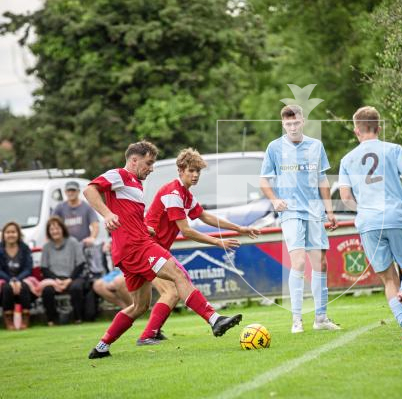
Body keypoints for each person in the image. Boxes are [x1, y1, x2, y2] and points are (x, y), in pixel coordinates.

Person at [84, 141, 243, 359]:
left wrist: (144, 227)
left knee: (139, 306)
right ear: (134, 160)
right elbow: (89, 189)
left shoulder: (137, 186)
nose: (151, 168)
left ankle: (102, 347)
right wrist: (107, 214)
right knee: (178, 276)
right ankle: (214, 319)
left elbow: (130, 216)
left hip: (130, 248)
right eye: (149, 163)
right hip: (137, 247)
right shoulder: (120, 175)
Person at [138, 147, 260, 344]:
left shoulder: (185, 194)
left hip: (154, 251)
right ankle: (214, 320)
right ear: (180, 170)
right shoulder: (173, 193)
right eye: (191, 170)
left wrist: (239, 228)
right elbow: (186, 231)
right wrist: (217, 242)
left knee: (164, 295)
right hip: (147, 249)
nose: (195, 175)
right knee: (176, 286)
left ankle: (149, 334)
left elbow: (204, 216)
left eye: (198, 171)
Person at [338, 106, 402, 340]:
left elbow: (345, 198)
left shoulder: (347, 159)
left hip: (369, 223)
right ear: (378, 128)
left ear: (356, 130)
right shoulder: (393, 149)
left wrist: (364, 210)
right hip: (396, 216)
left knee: (389, 279)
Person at [259, 105, 340, 333]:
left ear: (303, 121)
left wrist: (330, 211)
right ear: (283, 124)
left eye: (296, 123)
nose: (293, 127)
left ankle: (321, 318)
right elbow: (264, 181)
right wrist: (275, 201)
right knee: (299, 262)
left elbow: (322, 180)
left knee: (321, 264)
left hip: (315, 212)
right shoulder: (274, 148)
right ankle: (297, 320)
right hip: (291, 212)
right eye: (288, 124)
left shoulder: (316, 146)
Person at [53, 180, 105, 320]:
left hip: (83, 248)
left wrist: (92, 238)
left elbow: (95, 224)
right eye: (68, 191)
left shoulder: (86, 208)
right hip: (66, 249)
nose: (71, 193)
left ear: (77, 192)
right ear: (65, 192)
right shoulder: (60, 208)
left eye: (73, 191)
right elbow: (53, 225)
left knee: (83, 276)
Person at [40, 216, 88, 325]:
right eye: (52, 229)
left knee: (76, 288)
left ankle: (78, 318)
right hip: (54, 279)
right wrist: (55, 280)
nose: (55, 231)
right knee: (47, 290)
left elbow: (80, 264)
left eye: (57, 228)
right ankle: (51, 320)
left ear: (62, 229)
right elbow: (44, 268)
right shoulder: (46, 247)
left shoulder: (73, 242)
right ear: (48, 231)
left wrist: (70, 279)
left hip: (73, 277)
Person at [0, 221, 33, 330]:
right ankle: (8, 320)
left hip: (22, 279)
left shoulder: (25, 248)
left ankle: (25, 319)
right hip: (5, 280)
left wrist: (17, 280)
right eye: (8, 232)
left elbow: (28, 268)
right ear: (3, 235)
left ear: (18, 234)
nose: (10, 235)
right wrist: (11, 280)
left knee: (25, 287)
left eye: (13, 232)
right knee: (6, 288)